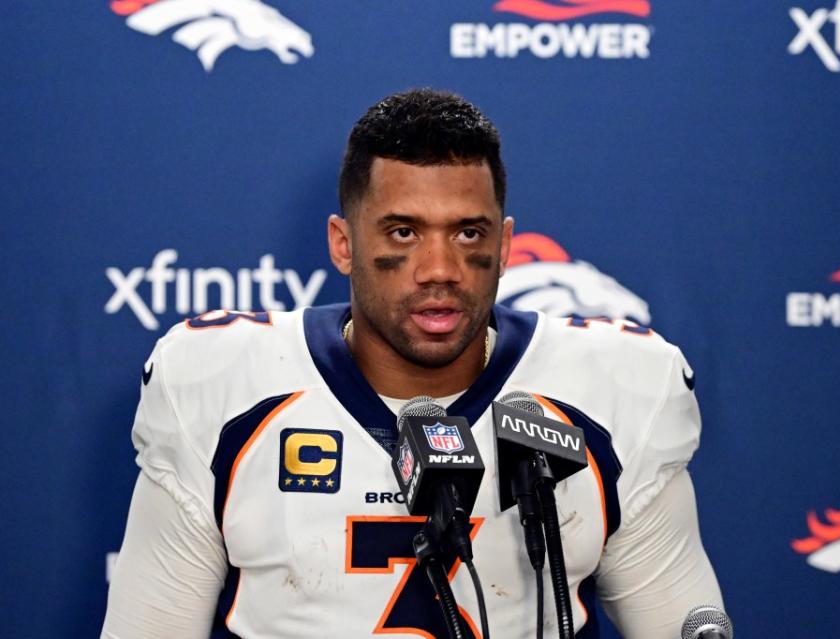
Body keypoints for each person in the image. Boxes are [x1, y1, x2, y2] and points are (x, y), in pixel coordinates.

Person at [102, 88, 723, 639]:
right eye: (403, 232)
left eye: (468, 234)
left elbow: (680, 621)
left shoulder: (608, 394)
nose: (440, 270)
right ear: (343, 244)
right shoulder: (224, 390)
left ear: (505, 246)